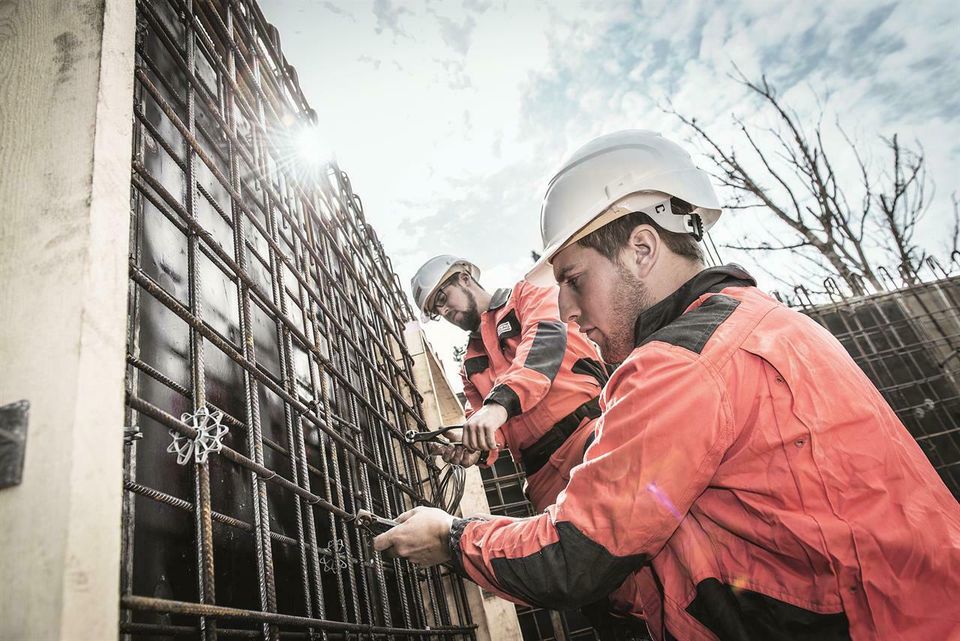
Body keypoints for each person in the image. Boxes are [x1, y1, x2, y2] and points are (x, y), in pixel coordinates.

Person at [377, 130, 960, 641]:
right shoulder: (761, 319)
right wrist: (481, 442)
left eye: (575, 281)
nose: (572, 310)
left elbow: (573, 553)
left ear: (641, 249)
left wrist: (453, 537)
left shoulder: (672, 364)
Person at [409, 255, 608, 511]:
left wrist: (497, 405)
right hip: (541, 476)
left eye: (442, 299)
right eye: (436, 312)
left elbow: (543, 346)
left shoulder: (527, 297)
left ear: (465, 278)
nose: (444, 311)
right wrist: (474, 446)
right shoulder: (469, 366)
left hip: (591, 437)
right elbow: (494, 430)